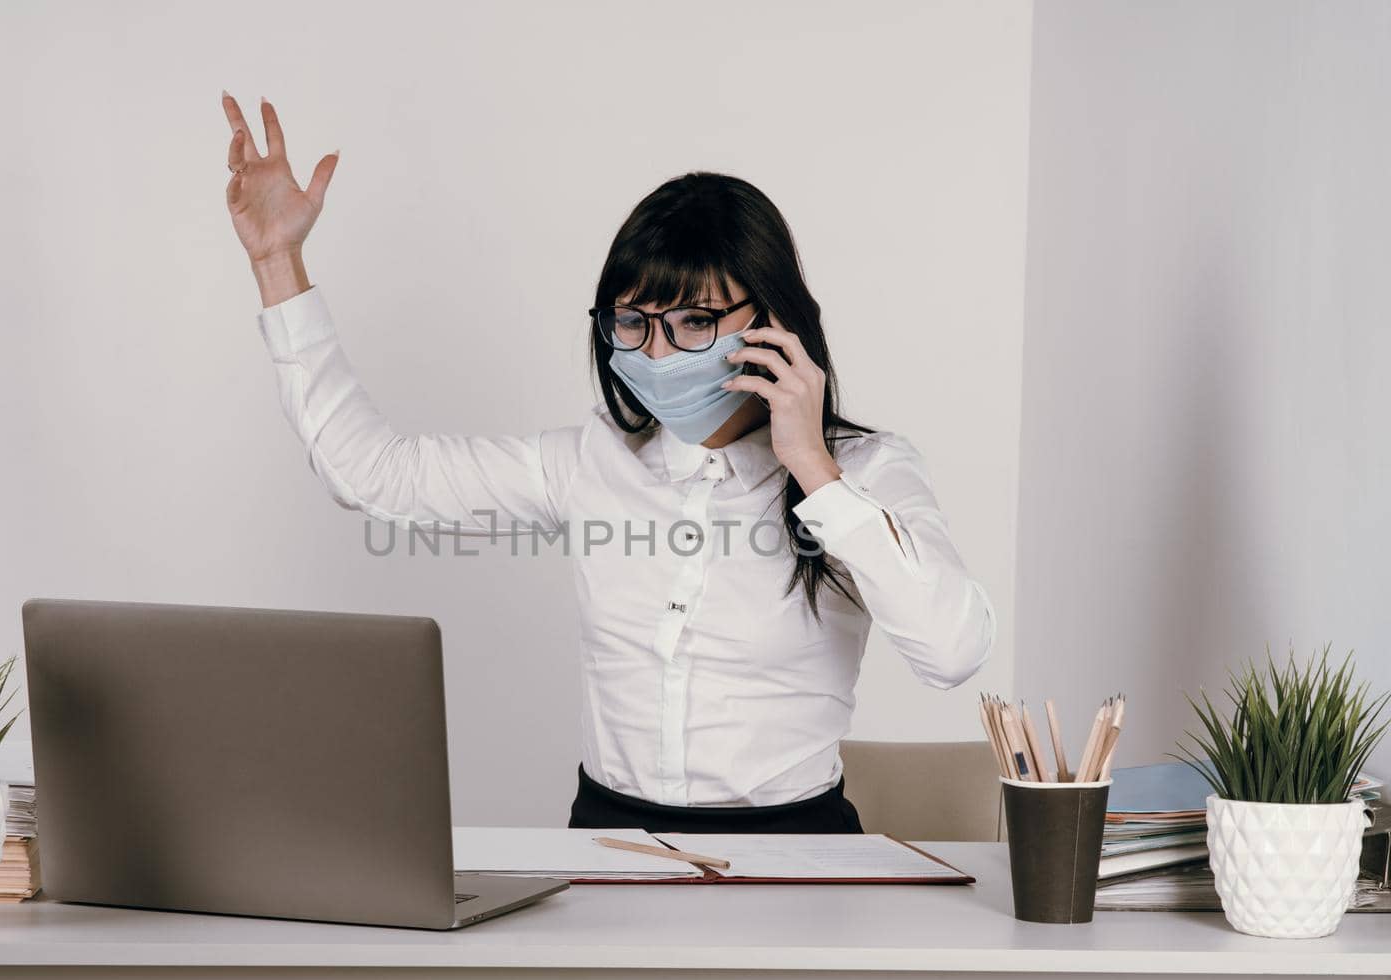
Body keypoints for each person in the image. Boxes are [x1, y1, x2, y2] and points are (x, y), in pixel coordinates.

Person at [220, 92, 996, 835]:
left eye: (696, 322)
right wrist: (278, 262)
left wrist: (813, 467)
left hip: (799, 844)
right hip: (606, 839)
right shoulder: (591, 461)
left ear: (772, 320)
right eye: (633, 321)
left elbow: (953, 650)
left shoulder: (865, 470)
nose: (657, 353)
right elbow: (376, 473)